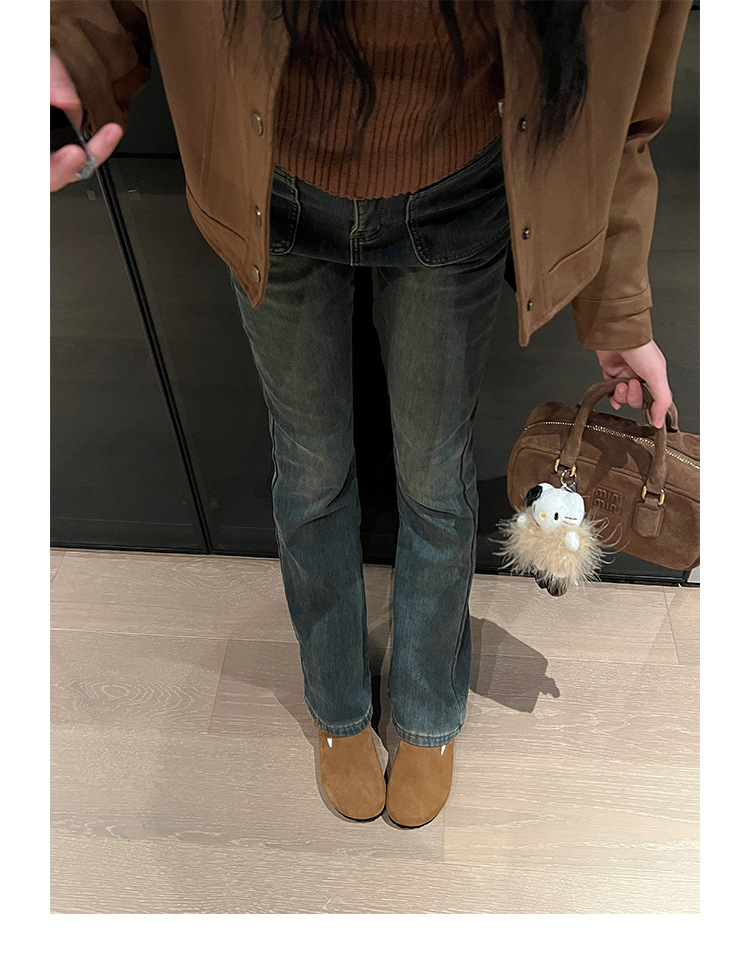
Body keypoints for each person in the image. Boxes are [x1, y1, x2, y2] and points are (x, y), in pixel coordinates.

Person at [50, 0, 692, 828]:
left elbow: (625, 93)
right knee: (310, 467)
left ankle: (426, 708)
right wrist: (64, 51)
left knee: (434, 475)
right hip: (267, 181)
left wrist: (620, 306)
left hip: (460, 189)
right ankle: (336, 701)